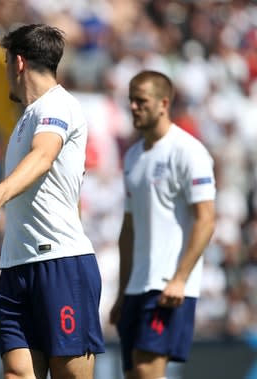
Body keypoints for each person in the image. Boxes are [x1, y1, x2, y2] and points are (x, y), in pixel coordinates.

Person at [0, 24, 104, 378]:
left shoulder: (59, 105)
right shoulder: (27, 117)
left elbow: (43, 156)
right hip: (16, 266)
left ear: (18, 63)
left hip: (60, 262)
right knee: (17, 374)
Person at [108, 70, 216, 379]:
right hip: (137, 286)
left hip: (168, 283)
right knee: (133, 374)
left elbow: (206, 219)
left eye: (141, 101)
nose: (133, 107)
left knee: (146, 371)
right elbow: (128, 230)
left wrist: (180, 278)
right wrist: (121, 292)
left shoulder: (188, 151)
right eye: (130, 100)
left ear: (163, 103)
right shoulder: (132, 157)